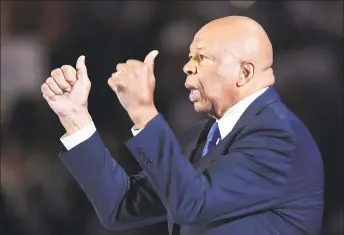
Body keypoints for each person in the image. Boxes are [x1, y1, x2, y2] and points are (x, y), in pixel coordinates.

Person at [41, 16, 324, 235]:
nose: (188, 66)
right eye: (190, 57)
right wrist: (74, 116)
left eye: (202, 56)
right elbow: (121, 206)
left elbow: (193, 204)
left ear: (244, 71)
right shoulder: (205, 136)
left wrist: (142, 111)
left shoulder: (279, 137)